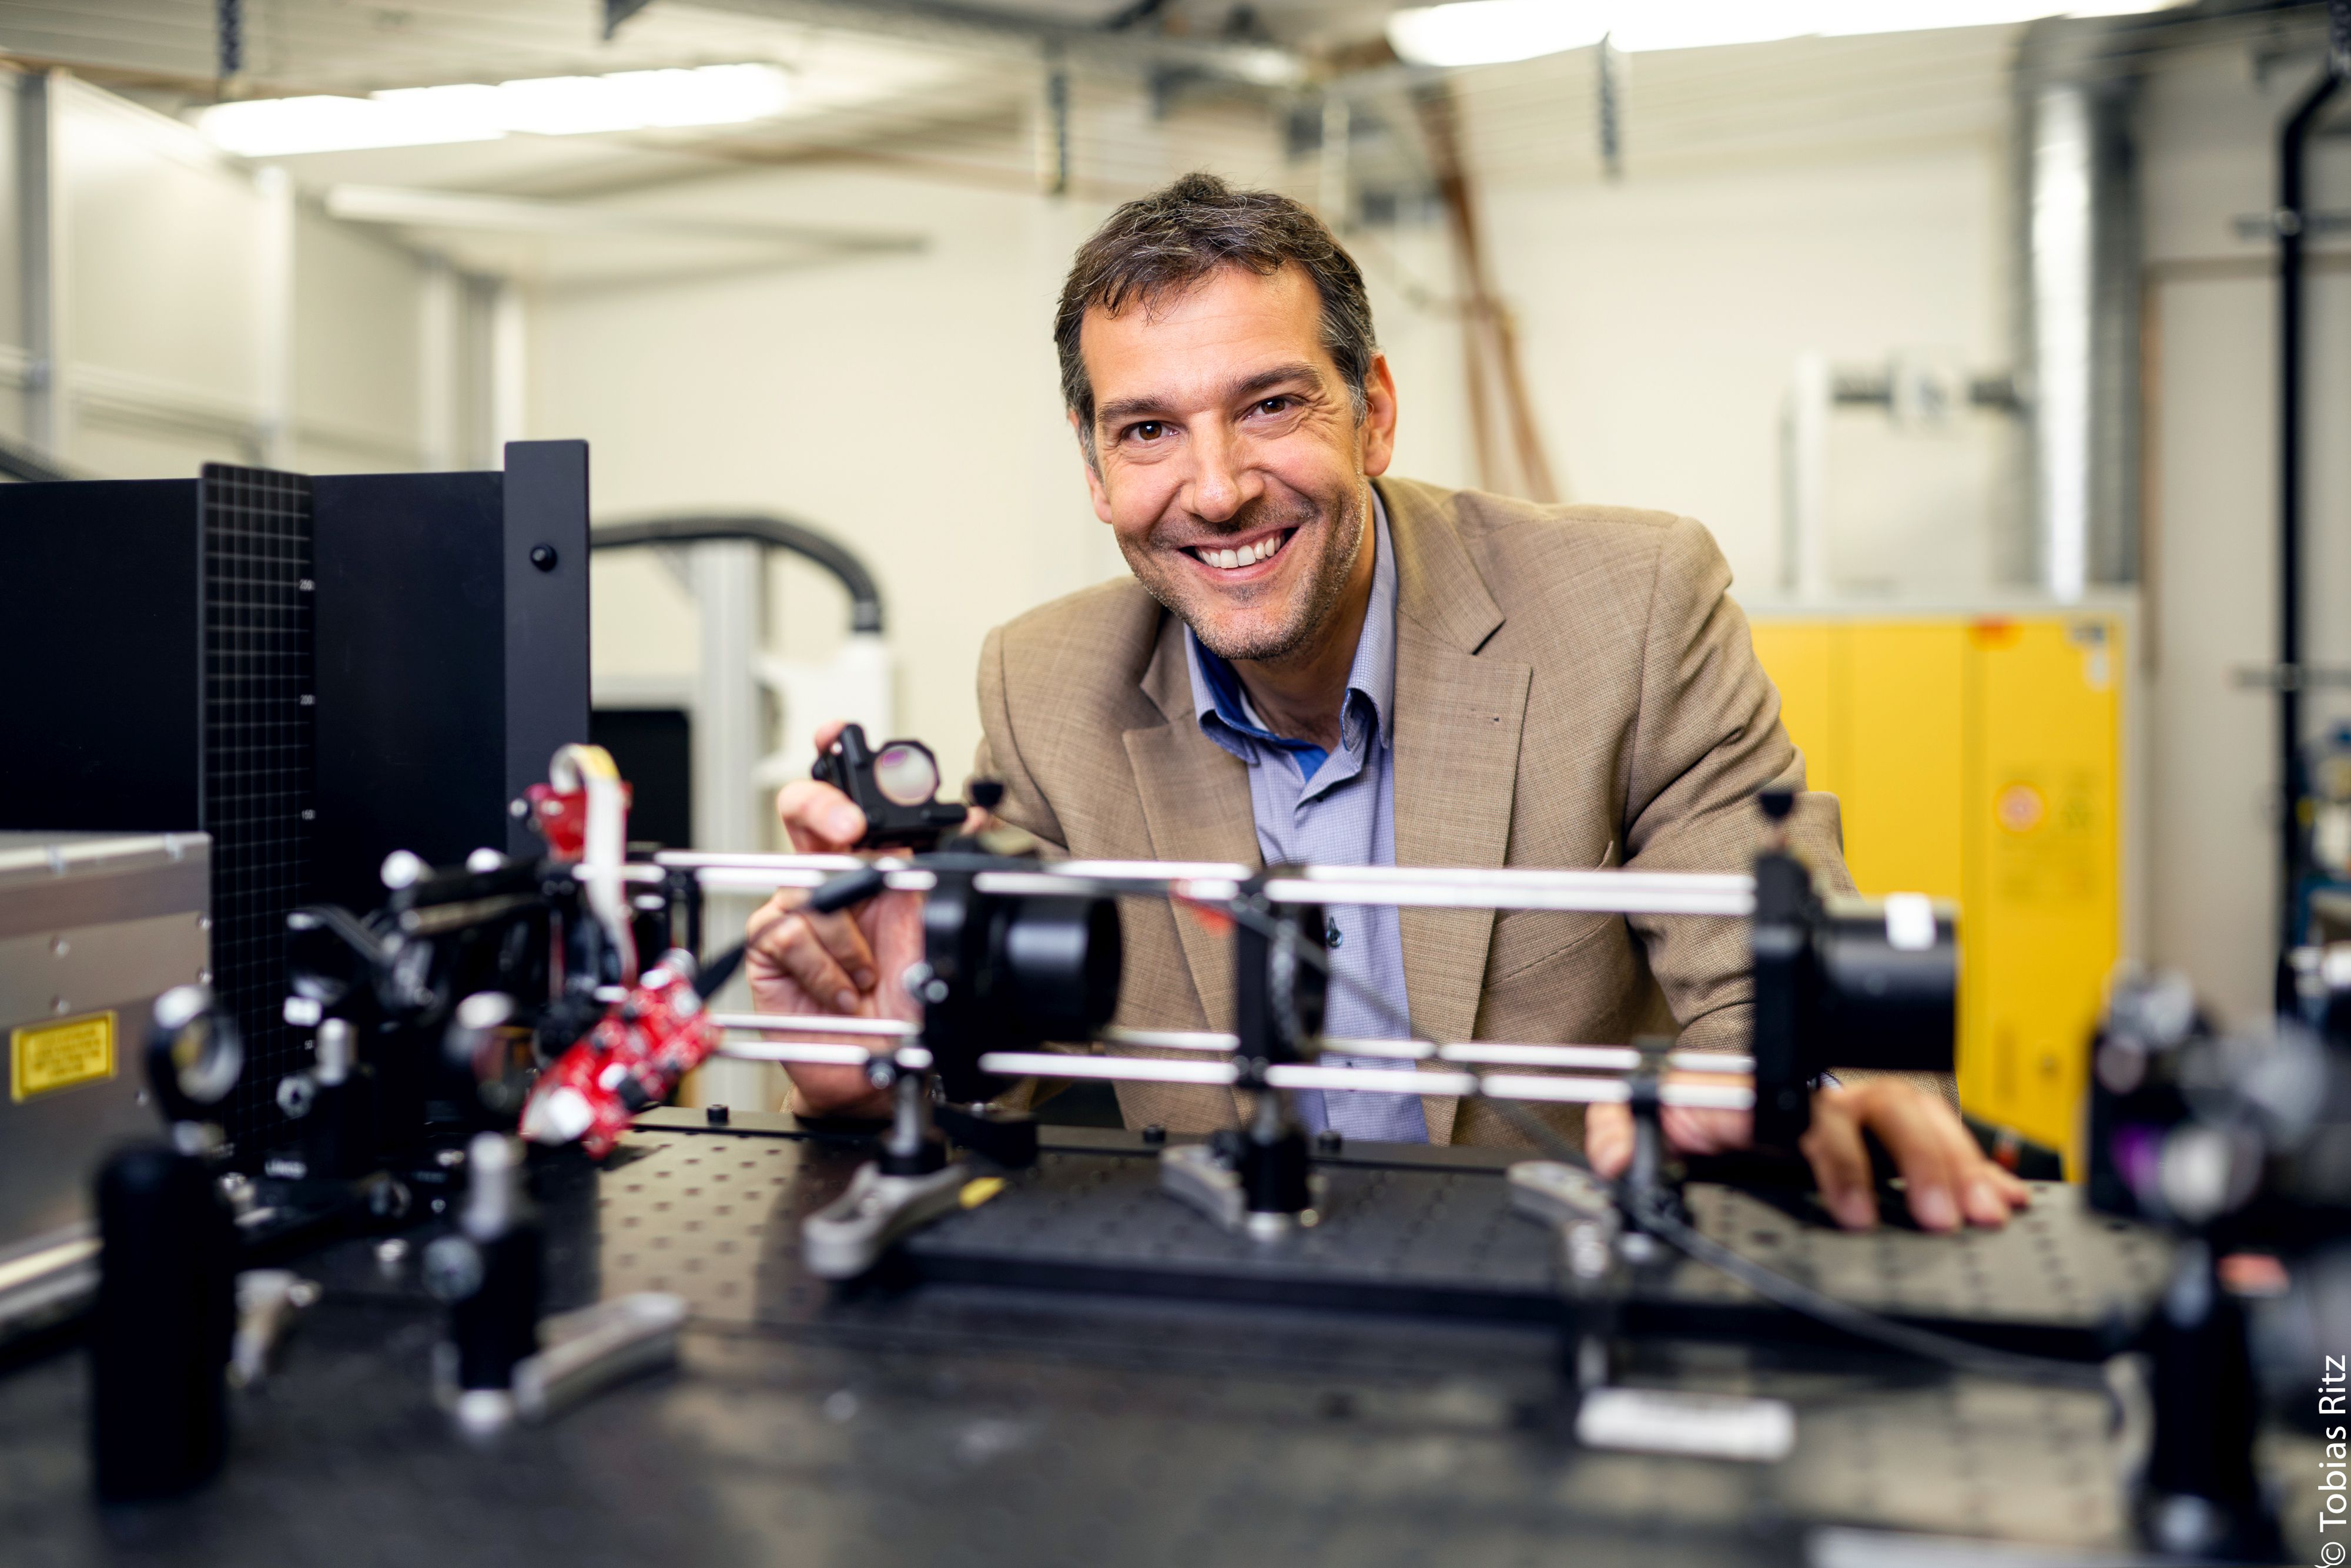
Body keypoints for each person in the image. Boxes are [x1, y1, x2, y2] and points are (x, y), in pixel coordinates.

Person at [745, 172, 2029, 1234]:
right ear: (1095, 471)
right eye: (1146, 431)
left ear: (1373, 415)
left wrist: (1792, 1089)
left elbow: (1778, 978)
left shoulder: (1627, 607)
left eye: (1269, 405)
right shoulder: (1045, 684)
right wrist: (877, 1068)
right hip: (1221, 1320)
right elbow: (989, 1067)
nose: (1217, 488)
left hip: (1544, 1293)